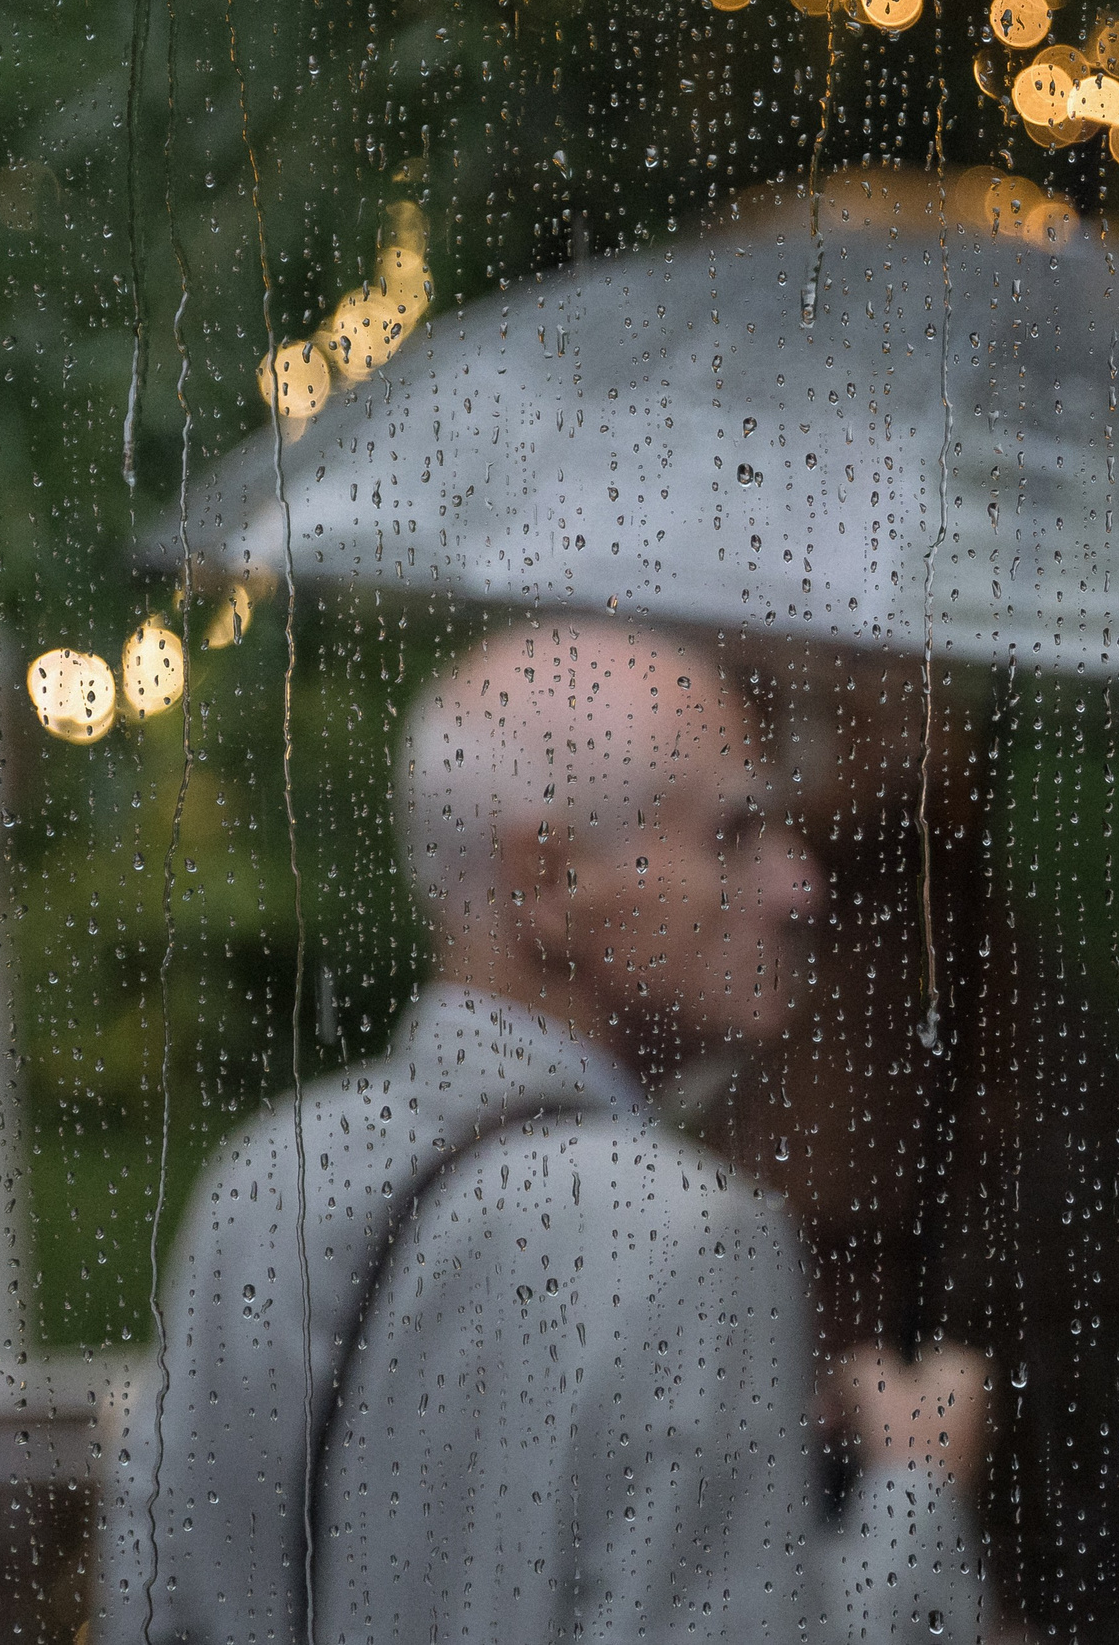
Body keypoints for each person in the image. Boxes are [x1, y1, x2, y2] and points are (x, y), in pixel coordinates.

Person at [91, 619, 997, 1645]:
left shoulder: (266, 1174)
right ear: (550, 879)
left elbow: (157, 1610)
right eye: (735, 834)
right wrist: (914, 1498)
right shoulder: (696, 1238)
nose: (799, 883)